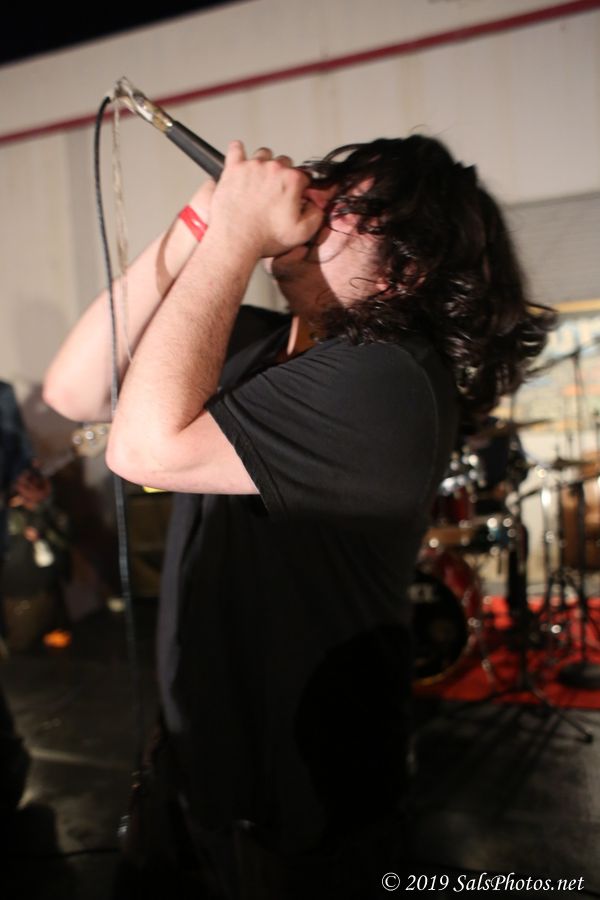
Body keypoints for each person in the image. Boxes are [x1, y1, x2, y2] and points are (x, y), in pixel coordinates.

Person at [43, 135, 554, 898]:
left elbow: (142, 449)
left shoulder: (388, 381)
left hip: (303, 801)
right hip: (197, 756)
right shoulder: (260, 341)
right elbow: (73, 391)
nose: (313, 204)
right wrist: (199, 224)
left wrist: (237, 235)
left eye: (345, 205)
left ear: (410, 264)